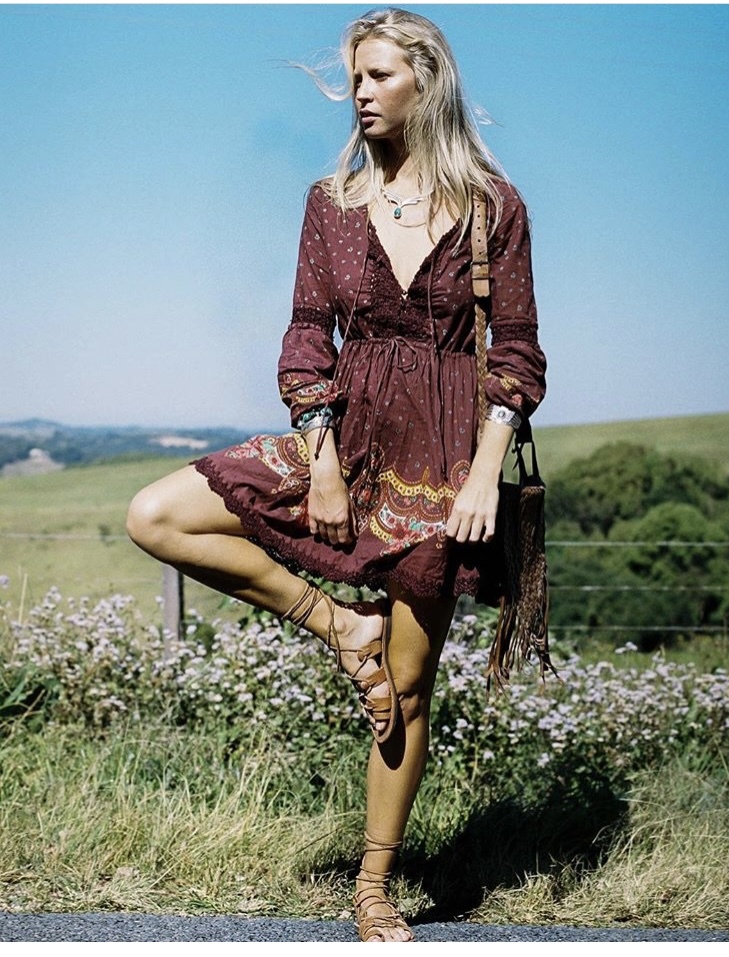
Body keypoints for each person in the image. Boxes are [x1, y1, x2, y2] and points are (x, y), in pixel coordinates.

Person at [127, 7, 546, 942]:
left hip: (444, 461)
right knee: (156, 513)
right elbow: (307, 331)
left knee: (408, 687)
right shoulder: (332, 202)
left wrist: (484, 476)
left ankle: (374, 883)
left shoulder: (494, 206)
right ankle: (341, 624)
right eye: (355, 77)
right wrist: (319, 456)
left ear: (427, 82)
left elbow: (516, 352)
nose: (360, 92)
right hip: (345, 437)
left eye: (379, 75)